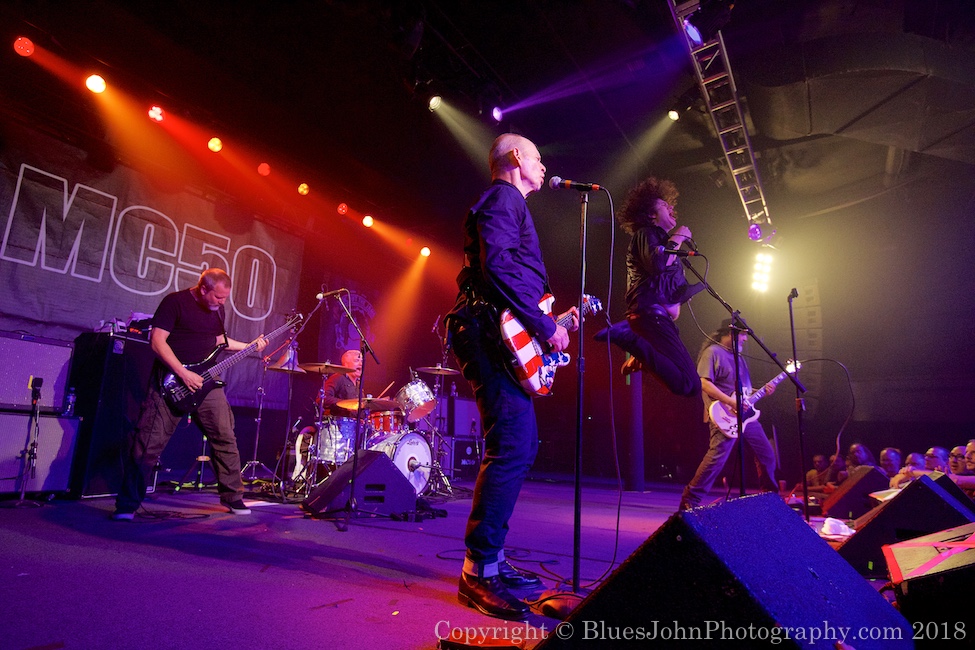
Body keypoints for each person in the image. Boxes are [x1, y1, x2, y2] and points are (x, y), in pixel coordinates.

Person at [445, 133, 579, 620]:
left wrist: (547, 321)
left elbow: (510, 276)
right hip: (484, 334)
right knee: (512, 446)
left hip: (495, 331)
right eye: (539, 158)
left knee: (518, 446)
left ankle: (493, 563)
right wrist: (546, 327)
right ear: (518, 159)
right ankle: (477, 573)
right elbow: (497, 265)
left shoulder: (508, 203)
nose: (544, 168)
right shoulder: (503, 198)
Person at [113, 268, 267, 519]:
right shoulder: (175, 302)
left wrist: (251, 347)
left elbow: (220, 341)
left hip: (207, 381)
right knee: (148, 443)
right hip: (172, 380)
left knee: (225, 436)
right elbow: (157, 341)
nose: (222, 302)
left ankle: (233, 497)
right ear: (203, 289)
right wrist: (184, 374)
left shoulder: (217, 309)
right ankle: (127, 505)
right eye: (218, 297)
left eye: (225, 298)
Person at [593, 176, 703, 397]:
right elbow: (657, 265)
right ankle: (628, 339)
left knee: (689, 386)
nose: (671, 207)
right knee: (688, 385)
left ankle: (642, 355)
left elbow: (666, 284)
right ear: (651, 214)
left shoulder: (660, 241)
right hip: (650, 317)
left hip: (657, 319)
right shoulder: (646, 234)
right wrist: (678, 238)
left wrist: (692, 289)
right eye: (664, 204)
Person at [679, 319, 778, 511]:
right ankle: (689, 501)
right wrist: (731, 401)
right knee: (716, 459)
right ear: (730, 334)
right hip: (723, 415)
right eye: (742, 335)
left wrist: (762, 390)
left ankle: (770, 500)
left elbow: (743, 391)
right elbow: (705, 384)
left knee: (766, 455)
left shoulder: (739, 358)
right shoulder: (712, 353)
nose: (745, 340)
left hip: (746, 416)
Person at [293, 349, 364, 480]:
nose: (361, 363)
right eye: (356, 360)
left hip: (351, 431)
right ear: (346, 364)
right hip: (336, 431)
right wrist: (345, 404)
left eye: (362, 360)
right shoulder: (338, 378)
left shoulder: (358, 386)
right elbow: (322, 398)